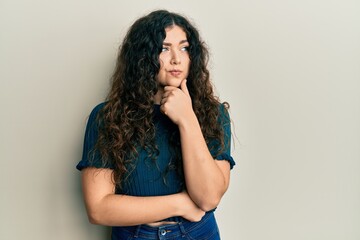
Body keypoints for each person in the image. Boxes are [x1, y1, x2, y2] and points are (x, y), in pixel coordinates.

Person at [76, 9, 235, 240]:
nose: (176, 59)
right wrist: (179, 204)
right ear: (143, 56)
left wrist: (187, 119)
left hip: (197, 233)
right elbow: (98, 208)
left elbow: (208, 198)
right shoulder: (107, 117)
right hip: (136, 235)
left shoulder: (213, 114)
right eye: (163, 48)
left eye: (184, 48)